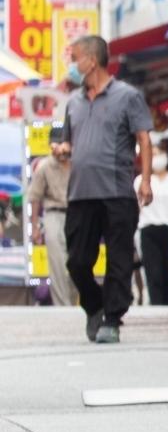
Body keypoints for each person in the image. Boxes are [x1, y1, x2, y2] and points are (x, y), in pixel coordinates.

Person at [62, 36, 152, 345]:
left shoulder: (128, 96)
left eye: (76, 58)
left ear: (92, 60)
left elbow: (144, 138)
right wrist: (62, 148)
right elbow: (67, 139)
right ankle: (94, 304)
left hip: (116, 191)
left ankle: (112, 318)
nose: (73, 65)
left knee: (119, 259)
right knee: (76, 261)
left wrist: (147, 181)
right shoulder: (73, 102)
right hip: (80, 192)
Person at [25, 134, 75, 307]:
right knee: (57, 261)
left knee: (78, 261)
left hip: (75, 214)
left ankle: (76, 301)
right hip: (52, 214)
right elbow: (35, 197)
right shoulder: (44, 166)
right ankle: (63, 305)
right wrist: (35, 228)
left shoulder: (77, 164)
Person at [137, 134, 168, 306]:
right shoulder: (140, 181)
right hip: (149, 229)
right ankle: (156, 304)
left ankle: (167, 301)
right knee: (153, 271)